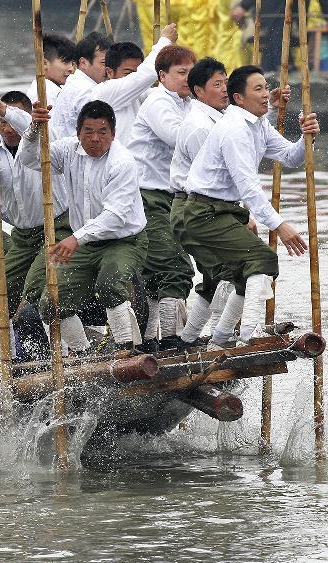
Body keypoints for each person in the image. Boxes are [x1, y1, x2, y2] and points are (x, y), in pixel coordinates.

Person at [183, 65, 320, 348]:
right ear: (239, 98)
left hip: (224, 211)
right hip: (204, 212)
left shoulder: (258, 124)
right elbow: (248, 186)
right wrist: (279, 225)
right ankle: (248, 335)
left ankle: (221, 337)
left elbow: (290, 156)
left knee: (245, 274)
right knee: (263, 260)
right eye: (257, 89)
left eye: (265, 87)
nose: (266, 95)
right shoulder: (235, 129)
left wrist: (307, 136)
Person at [19, 100, 148, 354]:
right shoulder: (67, 150)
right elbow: (30, 158)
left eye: (102, 132)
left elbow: (115, 215)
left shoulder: (122, 162)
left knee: (109, 285)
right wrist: (34, 127)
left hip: (123, 240)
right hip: (85, 242)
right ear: (78, 133)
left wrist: (75, 238)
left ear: (113, 133)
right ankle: (83, 354)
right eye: (88, 131)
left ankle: (126, 350)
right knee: (50, 304)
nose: (95, 139)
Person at [0, 90, 78, 354]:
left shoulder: (45, 140)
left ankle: (74, 353)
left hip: (56, 226)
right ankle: (4, 363)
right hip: (22, 236)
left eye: (11, 120)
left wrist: (4, 110)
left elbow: (28, 126)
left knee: (39, 290)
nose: (7, 128)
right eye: (1, 122)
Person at [126, 45, 196, 351]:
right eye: (181, 73)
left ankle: (154, 338)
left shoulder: (189, 104)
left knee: (160, 272)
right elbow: (179, 138)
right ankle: (169, 340)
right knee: (174, 267)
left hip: (176, 198)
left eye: (192, 74)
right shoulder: (158, 102)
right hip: (147, 197)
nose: (187, 79)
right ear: (162, 75)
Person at [168, 57, 234, 348]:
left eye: (226, 83)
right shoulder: (200, 127)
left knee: (212, 277)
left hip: (206, 207)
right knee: (229, 272)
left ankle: (189, 339)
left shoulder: (221, 117)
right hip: (195, 208)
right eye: (216, 84)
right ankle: (222, 340)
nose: (224, 89)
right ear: (198, 91)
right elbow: (211, 183)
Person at [84, 26, 176, 146]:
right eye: (128, 73)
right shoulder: (104, 93)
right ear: (109, 72)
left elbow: (167, 92)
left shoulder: (140, 93)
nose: (134, 78)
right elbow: (145, 75)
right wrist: (165, 40)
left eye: (137, 72)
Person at [49, 31, 112, 140]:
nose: (109, 68)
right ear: (83, 63)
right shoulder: (85, 91)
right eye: (104, 63)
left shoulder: (74, 82)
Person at [24, 33, 75, 107]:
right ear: (44, 63)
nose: (72, 69)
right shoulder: (46, 94)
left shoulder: (54, 90)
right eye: (65, 62)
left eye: (73, 63)